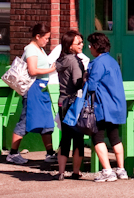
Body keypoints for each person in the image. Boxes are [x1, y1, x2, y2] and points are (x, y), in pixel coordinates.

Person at [7, 23, 58, 165]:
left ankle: (49, 153)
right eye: (46, 38)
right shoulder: (30, 49)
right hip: (33, 88)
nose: (47, 41)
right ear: (37, 36)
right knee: (26, 119)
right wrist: (51, 70)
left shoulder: (40, 49)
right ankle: (12, 153)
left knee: (47, 121)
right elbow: (32, 70)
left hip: (42, 88)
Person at [85, 32, 128, 182]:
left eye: (90, 45)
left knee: (97, 137)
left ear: (96, 47)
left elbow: (91, 85)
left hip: (102, 107)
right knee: (115, 137)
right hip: (116, 106)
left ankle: (107, 170)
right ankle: (121, 169)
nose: (89, 48)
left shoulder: (97, 63)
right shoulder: (112, 61)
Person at [55, 31, 89, 179]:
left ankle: (61, 172)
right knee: (78, 138)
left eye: (81, 42)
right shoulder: (75, 61)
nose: (82, 45)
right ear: (70, 45)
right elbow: (77, 83)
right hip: (74, 102)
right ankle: (76, 171)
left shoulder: (61, 59)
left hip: (62, 101)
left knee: (65, 137)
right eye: (78, 43)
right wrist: (86, 78)